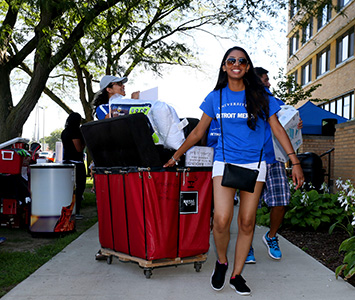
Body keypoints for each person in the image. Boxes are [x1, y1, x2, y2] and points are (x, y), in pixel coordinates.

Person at [164, 46, 304, 295]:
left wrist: (294, 162)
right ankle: (221, 262)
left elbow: (278, 129)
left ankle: (237, 275)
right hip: (225, 162)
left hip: (256, 164)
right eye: (231, 60)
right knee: (221, 219)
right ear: (224, 66)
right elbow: (198, 132)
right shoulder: (215, 97)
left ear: (247, 66)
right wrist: (176, 156)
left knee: (247, 222)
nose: (236, 63)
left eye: (241, 60)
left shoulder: (261, 96)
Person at [243, 67, 302, 264]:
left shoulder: (275, 101)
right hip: (249, 161)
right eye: (265, 80)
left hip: (274, 159)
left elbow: (287, 121)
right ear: (256, 81)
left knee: (281, 200)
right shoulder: (242, 100)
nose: (269, 83)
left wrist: (297, 123)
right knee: (248, 208)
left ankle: (271, 236)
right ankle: (247, 244)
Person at [61, 112, 86, 220]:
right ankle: (76, 210)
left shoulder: (65, 132)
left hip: (66, 161)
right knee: (80, 187)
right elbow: (79, 148)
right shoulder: (75, 132)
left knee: (68, 187)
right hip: (77, 162)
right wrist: (84, 143)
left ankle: (67, 209)